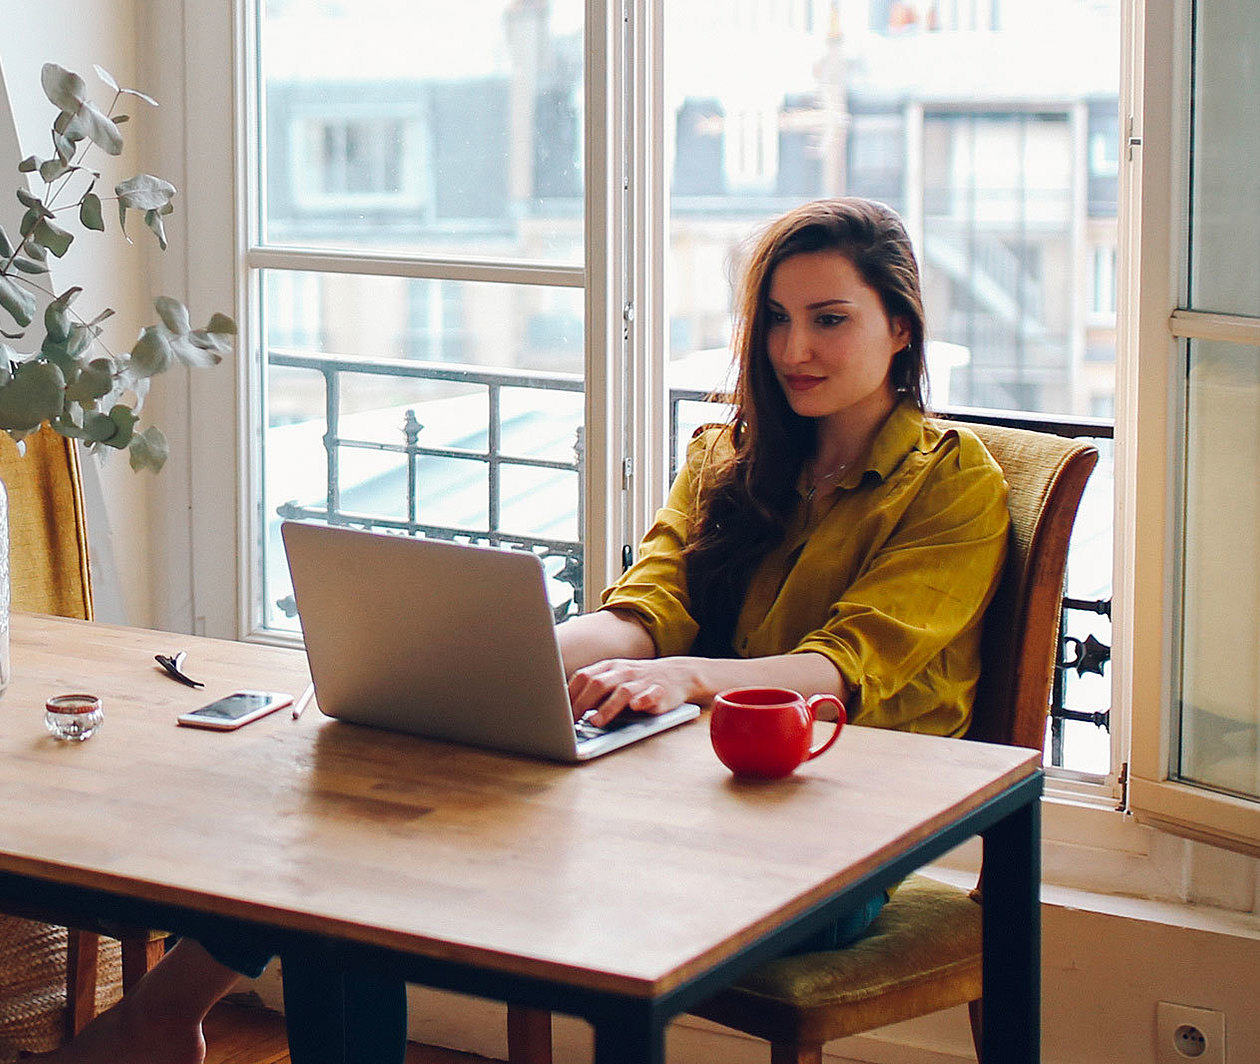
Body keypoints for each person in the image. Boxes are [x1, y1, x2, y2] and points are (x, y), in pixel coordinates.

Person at [30, 196, 1009, 1064]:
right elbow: (645, 609)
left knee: (376, 853)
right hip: (686, 787)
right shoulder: (729, 456)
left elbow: (844, 666)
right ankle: (169, 1014)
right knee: (356, 821)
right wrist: (485, 658)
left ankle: (159, 1016)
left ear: (901, 329)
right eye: (778, 322)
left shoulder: (954, 480)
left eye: (829, 320)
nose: (795, 349)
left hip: (834, 831)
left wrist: (688, 678)